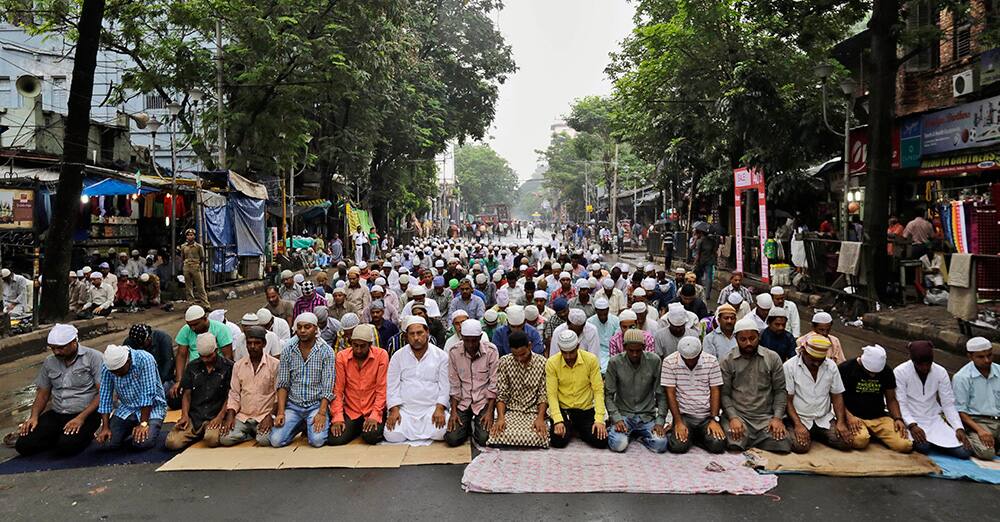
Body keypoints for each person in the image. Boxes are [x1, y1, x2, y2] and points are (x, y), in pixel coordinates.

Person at [14, 325, 102, 457]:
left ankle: (84, 435)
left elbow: (103, 393)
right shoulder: (50, 362)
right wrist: (34, 417)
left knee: (66, 447)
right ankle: (58, 435)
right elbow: (42, 394)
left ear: (74, 342)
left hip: (85, 414)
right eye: (53, 348)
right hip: (57, 413)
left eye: (61, 348)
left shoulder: (93, 358)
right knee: (23, 445)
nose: (56, 352)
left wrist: (80, 418)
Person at [720, 317, 791, 453]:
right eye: (743, 340)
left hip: (765, 418)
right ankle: (748, 440)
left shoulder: (772, 358)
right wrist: (733, 418)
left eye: (752, 339)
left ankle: (753, 441)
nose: (748, 343)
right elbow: (724, 394)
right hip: (739, 416)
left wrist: (777, 418)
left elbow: (780, 391)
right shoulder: (727, 360)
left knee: (784, 443)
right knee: (733, 441)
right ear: (736, 339)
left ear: (759, 337)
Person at [894, 341, 971, 459]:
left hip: (933, 418)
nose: (925, 368)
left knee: (965, 452)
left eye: (928, 364)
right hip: (911, 418)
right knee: (924, 447)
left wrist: (958, 428)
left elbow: (948, 404)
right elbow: (901, 403)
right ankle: (932, 444)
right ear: (913, 361)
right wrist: (912, 425)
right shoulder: (900, 372)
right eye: (920, 364)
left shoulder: (940, 372)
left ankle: (937, 443)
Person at [269, 312, 335, 448]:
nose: (303, 331)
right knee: (275, 440)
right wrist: (281, 412)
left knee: (317, 441)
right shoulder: (288, 349)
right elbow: (283, 384)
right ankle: (300, 424)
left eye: (307, 327)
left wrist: (322, 413)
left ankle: (307, 425)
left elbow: (328, 387)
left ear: (316, 329)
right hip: (294, 406)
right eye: (299, 327)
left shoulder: (326, 351)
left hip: (316, 406)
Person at [385, 317, 450, 443]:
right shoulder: (397, 356)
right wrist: (394, 409)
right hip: (405, 410)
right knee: (391, 435)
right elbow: (392, 385)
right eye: (412, 334)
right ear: (406, 337)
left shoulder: (441, 356)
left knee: (442, 431)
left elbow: (445, 386)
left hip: (431, 409)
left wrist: (440, 408)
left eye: (419, 333)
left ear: (427, 333)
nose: (416, 337)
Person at [783, 336, 852, 453]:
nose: (816, 363)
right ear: (803, 351)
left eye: (820, 360)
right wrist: (798, 425)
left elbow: (837, 396)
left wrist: (840, 422)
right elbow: (787, 400)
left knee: (846, 442)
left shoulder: (831, 366)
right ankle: (803, 432)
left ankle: (816, 433)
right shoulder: (789, 366)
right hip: (800, 418)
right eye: (813, 359)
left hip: (823, 418)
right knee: (801, 447)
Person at [838, 345, 912, 453]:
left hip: (879, 417)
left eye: (875, 373)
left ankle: (875, 434)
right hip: (855, 417)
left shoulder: (886, 371)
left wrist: (898, 419)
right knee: (860, 441)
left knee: (905, 445)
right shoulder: (846, 369)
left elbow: (891, 399)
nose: (872, 375)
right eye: (869, 372)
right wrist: (849, 417)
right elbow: (836, 398)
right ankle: (867, 434)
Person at [605, 329, 668, 453]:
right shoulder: (615, 362)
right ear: (624, 347)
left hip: (647, 416)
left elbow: (661, 394)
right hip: (624, 415)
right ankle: (620, 431)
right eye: (631, 351)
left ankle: (640, 437)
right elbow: (608, 395)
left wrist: (660, 421)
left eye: (638, 351)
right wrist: (616, 418)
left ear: (644, 347)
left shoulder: (654, 361)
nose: (634, 354)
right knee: (618, 444)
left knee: (660, 445)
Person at [165, 333, 233, 450]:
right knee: (172, 443)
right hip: (195, 416)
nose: (205, 360)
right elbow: (187, 394)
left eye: (209, 356)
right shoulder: (192, 366)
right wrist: (184, 415)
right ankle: (196, 432)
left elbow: (230, 395)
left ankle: (205, 432)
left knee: (211, 440)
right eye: (202, 357)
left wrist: (220, 417)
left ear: (216, 350)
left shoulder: (228, 367)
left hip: (215, 415)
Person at [95, 345, 167, 451]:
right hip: (126, 408)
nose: (117, 375)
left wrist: (143, 424)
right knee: (108, 443)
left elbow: (148, 394)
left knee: (142, 443)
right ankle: (130, 429)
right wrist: (105, 427)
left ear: (128, 361)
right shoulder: (108, 366)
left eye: (119, 371)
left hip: (152, 408)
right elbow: (105, 396)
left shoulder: (145, 359)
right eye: (114, 372)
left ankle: (147, 426)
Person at [663, 337, 727, 454]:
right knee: (678, 447)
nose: (690, 362)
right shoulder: (669, 362)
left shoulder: (711, 361)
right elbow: (670, 393)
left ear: (700, 352)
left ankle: (695, 437)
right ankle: (692, 436)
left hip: (706, 416)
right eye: (686, 359)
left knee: (718, 445)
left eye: (694, 358)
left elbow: (715, 391)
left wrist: (714, 419)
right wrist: (678, 422)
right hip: (684, 416)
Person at [216, 327, 279, 446]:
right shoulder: (238, 366)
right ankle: (249, 434)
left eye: (257, 343)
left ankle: (255, 434)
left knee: (264, 441)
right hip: (244, 416)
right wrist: (230, 416)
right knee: (225, 439)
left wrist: (271, 416)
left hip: (264, 415)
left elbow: (278, 395)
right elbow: (234, 393)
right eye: (249, 343)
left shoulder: (275, 365)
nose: (253, 346)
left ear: (264, 344)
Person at [327, 324, 389, 445]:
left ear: (370, 345)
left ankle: (364, 429)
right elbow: (338, 390)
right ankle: (357, 428)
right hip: (352, 410)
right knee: (334, 439)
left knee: (371, 437)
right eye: (355, 345)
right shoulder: (342, 357)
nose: (358, 350)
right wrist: (338, 418)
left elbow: (382, 389)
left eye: (362, 346)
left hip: (373, 409)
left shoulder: (381, 355)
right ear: (351, 342)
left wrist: (375, 415)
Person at [487, 331, 550, 448]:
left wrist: (540, 418)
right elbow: (502, 393)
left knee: (540, 437)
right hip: (512, 411)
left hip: (534, 412)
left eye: (523, 354)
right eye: (515, 355)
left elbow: (543, 394)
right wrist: (501, 418)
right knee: (496, 435)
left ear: (530, 346)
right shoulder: (505, 362)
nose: (519, 359)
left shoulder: (542, 363)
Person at [546, 330, 608, 449]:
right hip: (564, 410)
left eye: (572, 352)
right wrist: (558, 420)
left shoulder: (591, 360)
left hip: (586, 409)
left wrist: (599, 419)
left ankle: (577, 429)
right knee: (558, 441)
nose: (568, 357)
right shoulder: (552, 363)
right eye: (565, 353)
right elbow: (552, 394)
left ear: (578, 346)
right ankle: (572, 428)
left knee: (601, 440)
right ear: (559, 348)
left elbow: (598, 391)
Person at [444, 321, 499, 447]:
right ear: (462, 337)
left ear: (480, 337)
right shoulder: (454, 352)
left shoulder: (491, 351)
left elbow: (493, 383)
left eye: (474, 340)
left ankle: (476, 427)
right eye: (466, 340)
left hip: (483, 400)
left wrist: (490, 411)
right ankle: (466, 426)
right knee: (452, 439)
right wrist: (453, 412)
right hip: (463, 400)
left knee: (484, 439)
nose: (470, 344)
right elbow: (454, 384)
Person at [953, 336, 1000, 460]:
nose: (986, 360)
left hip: (998, 420)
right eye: (980, 357)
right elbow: (960, 411)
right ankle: (968, 437)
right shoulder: (962, 377)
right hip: (977, 422)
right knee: (986, 453)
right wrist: (980, 431)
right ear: (970, 357)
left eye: (989, 355)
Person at [173, 305, 234, 400]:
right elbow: (181, 356)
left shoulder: (221, 329)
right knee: (174, 398)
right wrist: (179, 381)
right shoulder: (186, 330)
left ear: (205, 319)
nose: (193, 328)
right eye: (190, 325)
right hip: (194, 372)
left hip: (216, 371)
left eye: (196, 325)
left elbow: (228, 357)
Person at [123, 324, 178, 409]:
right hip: (138, 382)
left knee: (167, 393)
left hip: (161, 379)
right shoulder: (129, 344)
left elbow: (168, 364)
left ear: (149, 338)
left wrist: (154, 385)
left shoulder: (163, 339)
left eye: (142, 344)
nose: (140, 347)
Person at [587, 298, 620, 372]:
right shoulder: (590, 322)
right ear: (596, 311)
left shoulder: (615, 320)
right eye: (600, 314)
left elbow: (618, 340)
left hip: (613, 351)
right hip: (597, 352)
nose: (603, 317)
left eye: (605, 314)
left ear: (608, 310)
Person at [179, 228, 209, 307]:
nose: (190, 237)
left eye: (191, 235)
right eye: (188, 235)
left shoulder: (199, 247)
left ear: (194, 236)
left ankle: (205, 304)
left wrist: (198, 265)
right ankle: (191, 303)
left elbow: (202, 257)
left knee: (200, 286)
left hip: (196, 266)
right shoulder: (183, 247)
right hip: (186, 266)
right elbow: (182, 257)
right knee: (188, 287)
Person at [692, 228, 717, 302]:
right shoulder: (712, 241)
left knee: (699, 276)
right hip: (710, 261)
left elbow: (698, 253)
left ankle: (699, 291)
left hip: (701, 261)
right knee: (708, 278)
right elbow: (714, 252)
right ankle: (707, 295)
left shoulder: (700, 241)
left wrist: (695, 262)